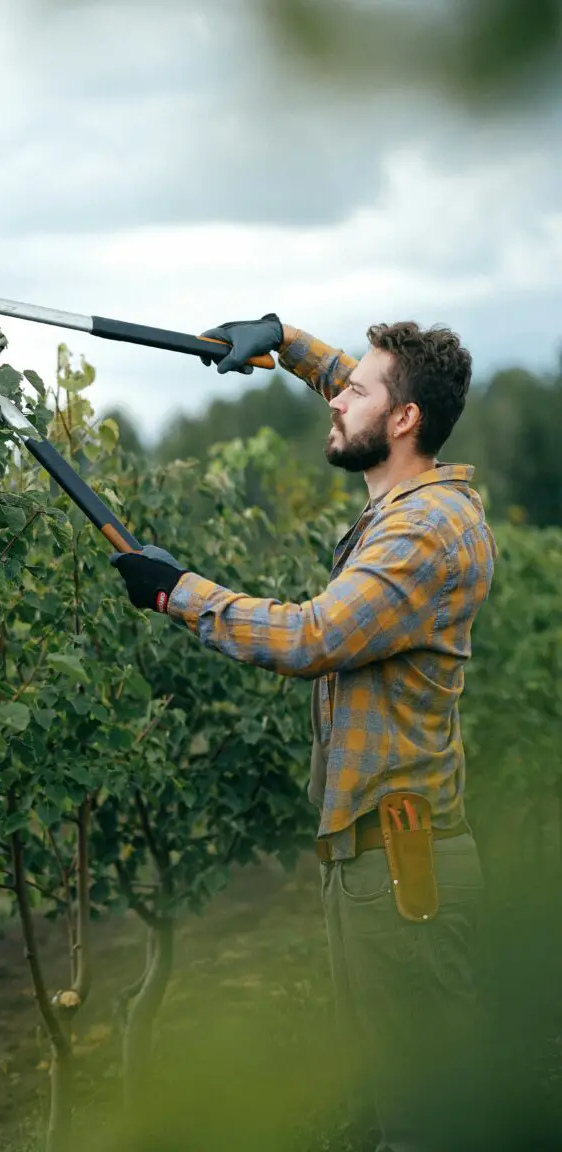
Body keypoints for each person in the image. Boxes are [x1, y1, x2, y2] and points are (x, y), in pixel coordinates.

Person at [109, 314, 497, 1151]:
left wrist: (180, 592)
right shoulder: (412, 488)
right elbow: (351, 388)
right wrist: (283, 340)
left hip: (399, 875)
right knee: (382, 1114)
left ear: (403, 421)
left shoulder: (423, 531)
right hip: (375, 865)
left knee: (425, 1124)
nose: (336, 398)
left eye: (355, 391)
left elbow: (312, 639)